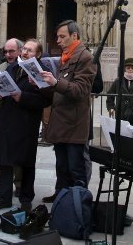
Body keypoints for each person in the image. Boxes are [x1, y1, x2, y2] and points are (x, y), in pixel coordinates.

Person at [0, 37, 52, 211]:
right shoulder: (12, 67)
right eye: (24, 49)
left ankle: (26, 198)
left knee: (25, 163)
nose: (25, 52)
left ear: (38, 54)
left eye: (30, 50)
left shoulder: (42, 72)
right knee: (4, 161)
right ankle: (4, 196)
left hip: (25, 123)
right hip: (6, 120)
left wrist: (22, 97)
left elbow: (46, 100)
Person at [40, 19, 97, 200]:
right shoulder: (66, 57)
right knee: (62, 166)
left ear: (75, 36)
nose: (58, 40)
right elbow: (60, 89)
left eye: (62, 36)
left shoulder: (85, 58)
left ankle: (77, 205)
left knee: (75, 168)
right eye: (57, 37)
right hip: (62, 123)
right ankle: (61, 197)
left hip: (74, 124)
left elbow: (80, 90)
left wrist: (55, 82)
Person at [106, 57, 133, 126]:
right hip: (121, 113)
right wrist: (111, 107)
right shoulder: (118, 80)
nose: (130, 69)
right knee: (121, 134)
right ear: (125, 69)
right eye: (128, 68)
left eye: (132, 68)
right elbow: (110, 94)